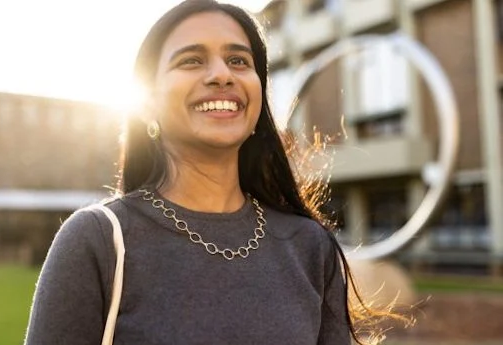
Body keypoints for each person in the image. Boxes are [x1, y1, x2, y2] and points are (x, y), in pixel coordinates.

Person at [24, 1, 384, 344]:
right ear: (147, 102)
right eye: (192, 60)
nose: (221, 75)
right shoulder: (97, 241)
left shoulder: (310, 246)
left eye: (238, 60)